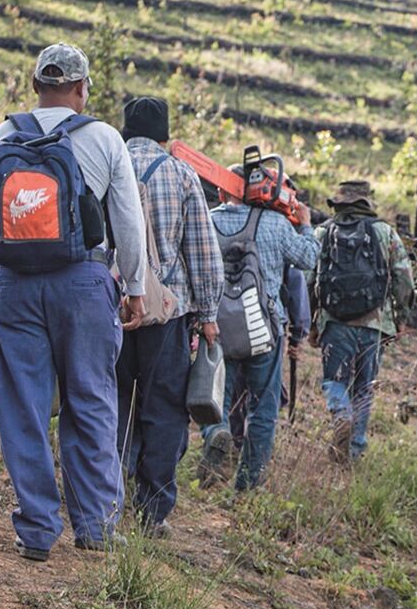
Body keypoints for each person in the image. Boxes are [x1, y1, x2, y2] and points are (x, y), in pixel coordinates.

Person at [0, 43, 148, 561]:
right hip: (85, 284)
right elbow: (128, 222)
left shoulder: (0, 137)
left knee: (24, 407)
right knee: (91, 402)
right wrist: (134, 287)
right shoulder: (105, 138)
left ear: (35, 84)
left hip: (15, 285)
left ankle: (37, 530)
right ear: (82, 89)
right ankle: (97, 527)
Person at [115, 97, 224, 537]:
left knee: (112, 403)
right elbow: (201, 251)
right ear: (166, 137)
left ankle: (107, 495)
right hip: (167, 314)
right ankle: (151, 512)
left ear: (125, 131)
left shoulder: (107, 164)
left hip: (114, 308)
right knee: (164, 411)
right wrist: (209, 313)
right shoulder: (180, 174)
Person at [197, 179, 319, 491]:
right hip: (264, 328)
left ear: (225, 191)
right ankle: (249, 484)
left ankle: (216, 434)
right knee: (263, 408)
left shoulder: (210, 218)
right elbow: (308, 260)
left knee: (216, 398)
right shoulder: (276, 223)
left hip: (220, 326)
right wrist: (306, 225)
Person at [307, 181, 414, 463]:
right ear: (366, 202)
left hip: (335, 321)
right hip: (374, 324)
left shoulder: (323, 232)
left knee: (334, 380)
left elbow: (308, 280)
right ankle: (353, 451)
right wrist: (401, 319)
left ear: (339, 203)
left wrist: (312, 324)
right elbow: (404, 279)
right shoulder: (385, 232)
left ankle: (341, 415)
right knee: (364, 387)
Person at [227, 265, 311, 449]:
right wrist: (297, 335)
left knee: (235, 388)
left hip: (231, 324)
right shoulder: (281, 243)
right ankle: (254, 451)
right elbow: (297, 286)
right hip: (268, 329)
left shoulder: (227, 238)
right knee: (264, 395)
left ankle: (235, 439)